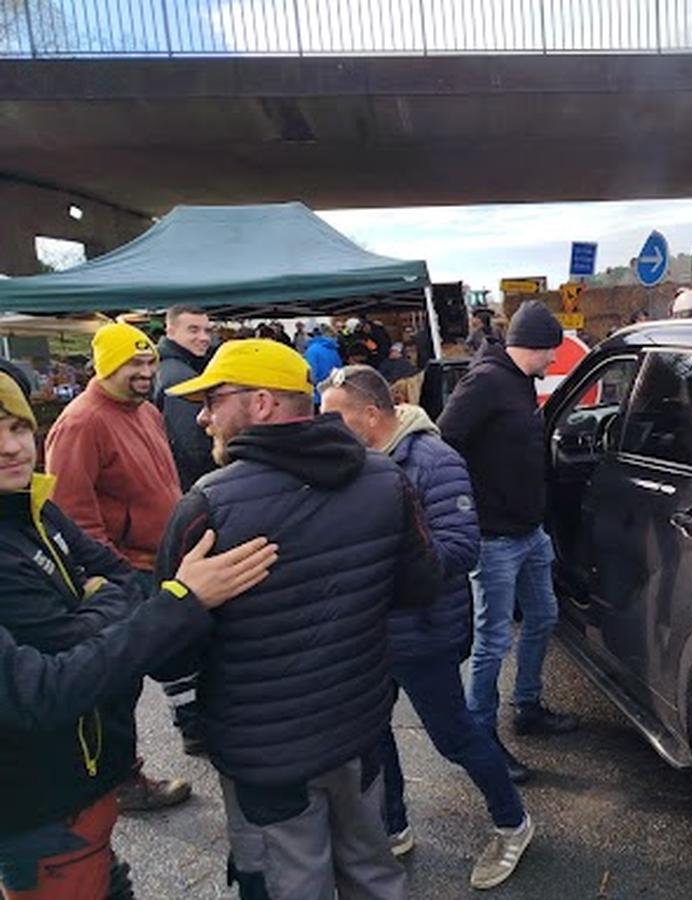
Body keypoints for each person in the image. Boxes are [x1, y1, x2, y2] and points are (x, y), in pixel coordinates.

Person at [159, 339, 442, 900]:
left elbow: (171, 656)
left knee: (290, 886)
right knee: (372, 872)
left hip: (266, 755)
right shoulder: (385, 479)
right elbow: (420, 586)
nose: (203, 416)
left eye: (214, 399)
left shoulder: (205, 506)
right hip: (357, 727)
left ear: (262, 403)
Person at [0, 358, 277, 900]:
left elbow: (117, 577)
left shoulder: (31, 504)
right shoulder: (63, 451)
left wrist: (92, 617)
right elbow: (46, 689)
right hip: (39, 801)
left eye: (15, 428)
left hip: (90, 775)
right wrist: (179, 600)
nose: (11, 447)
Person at [319, 365, 533, 891]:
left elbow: (461, 549)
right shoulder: (351, 462)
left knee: (454, 736)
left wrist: (373, 568)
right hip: (370, 630)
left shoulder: (433, 459)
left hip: (422, 630)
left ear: (371, 415)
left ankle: (513, 822)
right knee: (372, 733)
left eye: (334, 418)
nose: (322, 429)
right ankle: (394, 825)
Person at [44, 321, 196, 809]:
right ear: (104, 366)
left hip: (162, 561)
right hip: (126, 570)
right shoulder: (81, 422)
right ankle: (121, 780)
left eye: (149, 361)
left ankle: (197, 730)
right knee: (119, 684)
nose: (145, 371)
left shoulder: (145, 412)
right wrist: (111, 577)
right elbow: (71, 512)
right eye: (133, 363)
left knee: (184, 648)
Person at [438, 299, 578, 782]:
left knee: (543, 616)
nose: (553, 363)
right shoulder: (485, 382)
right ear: (531, 347)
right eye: (550, 354)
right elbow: (444, 441)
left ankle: (528, 706)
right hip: (494, 537)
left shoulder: (518, 382)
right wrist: (469, 505)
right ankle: (482, 735)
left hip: (529, 530)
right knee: (493, 640)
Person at [154, 306, 216, 492]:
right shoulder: (180, 377)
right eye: (193, 330)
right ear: (170, 331)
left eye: (207, 330)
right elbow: (193, 447)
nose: (204, 338)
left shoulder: (164, 366)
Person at [303, 324, 343, 399]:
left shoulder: (312, 351)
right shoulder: (334, 350)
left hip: (317, 395)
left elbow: (311, 376)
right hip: (333, 393)